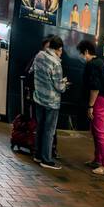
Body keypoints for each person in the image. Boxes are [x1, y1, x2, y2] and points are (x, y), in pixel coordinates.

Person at [80, 39, 104, 175]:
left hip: (99, 100)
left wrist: (90, 106)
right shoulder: (100, 62)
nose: (82, 57)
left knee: (100, 133)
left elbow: (94, 87)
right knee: (96, 132)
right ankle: (98, 159)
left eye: (82, 54)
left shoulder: (93, 65)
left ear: (87, 52)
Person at [32, 36, 68, 170]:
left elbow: (33, 71)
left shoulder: (39, 55)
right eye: (61, 51)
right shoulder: (56, 63)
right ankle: (46, 159)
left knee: (40, 127)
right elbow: (59, 87)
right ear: (59, 49)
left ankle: (37, 155)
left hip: (38, 98)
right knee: (49, 131)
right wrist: (64, 84)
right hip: (51, 102)